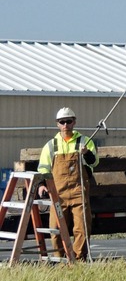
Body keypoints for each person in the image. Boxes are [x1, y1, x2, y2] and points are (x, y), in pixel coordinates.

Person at [38, 108, 98, 261]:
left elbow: (95, 162)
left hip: (79, 192)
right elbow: (43, 167)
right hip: (58, 193)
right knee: (55, 229)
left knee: (82, 228)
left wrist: (86, 153)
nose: (65, 125)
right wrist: (42, 184)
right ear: (57, 124)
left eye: (68, 121)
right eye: (62, 122)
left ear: (74, 122)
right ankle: (60, 260)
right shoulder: (51, 146)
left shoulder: (85, 141)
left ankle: (79, 260)